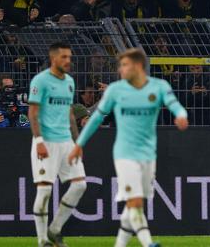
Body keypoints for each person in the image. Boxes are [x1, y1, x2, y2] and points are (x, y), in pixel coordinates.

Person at [68, 48, 188, 247]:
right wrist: (79, 143)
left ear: (139, 66)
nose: (121, 70)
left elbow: (174, 104)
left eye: (125, 65)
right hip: (124, 154)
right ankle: (147, 242)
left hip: (148, 154)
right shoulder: (116, 90)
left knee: (136, 202)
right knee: (134, 201)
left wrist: (181, 115)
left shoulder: (158, 86)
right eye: (120, 65)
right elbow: (97, 117)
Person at [28, 42, 87, 247]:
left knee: (80, 185)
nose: (68, 60)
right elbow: (33, 113)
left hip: (66, 142)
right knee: (44, 191)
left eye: (69, 57)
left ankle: (55, 229)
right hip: (47, 142)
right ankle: (42, 239)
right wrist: (39, 141)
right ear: (54, 59)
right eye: (64, 57)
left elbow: (70, 114)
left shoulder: (69, 82)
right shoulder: (40, 81)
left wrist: (77, 142)